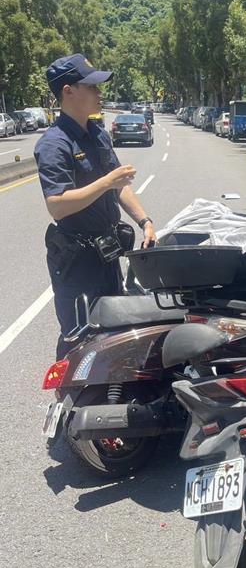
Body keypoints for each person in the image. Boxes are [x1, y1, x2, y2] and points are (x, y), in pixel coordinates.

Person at [34, 54, 157, 359]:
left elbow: (120, 186)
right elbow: (57, 206)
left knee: (114, 331)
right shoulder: (54, 144)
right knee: (78, 339)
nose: (99, 93)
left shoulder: (98, 134)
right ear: (68, 91)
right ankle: (68, 391)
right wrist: (106, 182)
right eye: (91, 86)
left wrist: (145, 221)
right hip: (77, 261)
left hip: (106, 252)